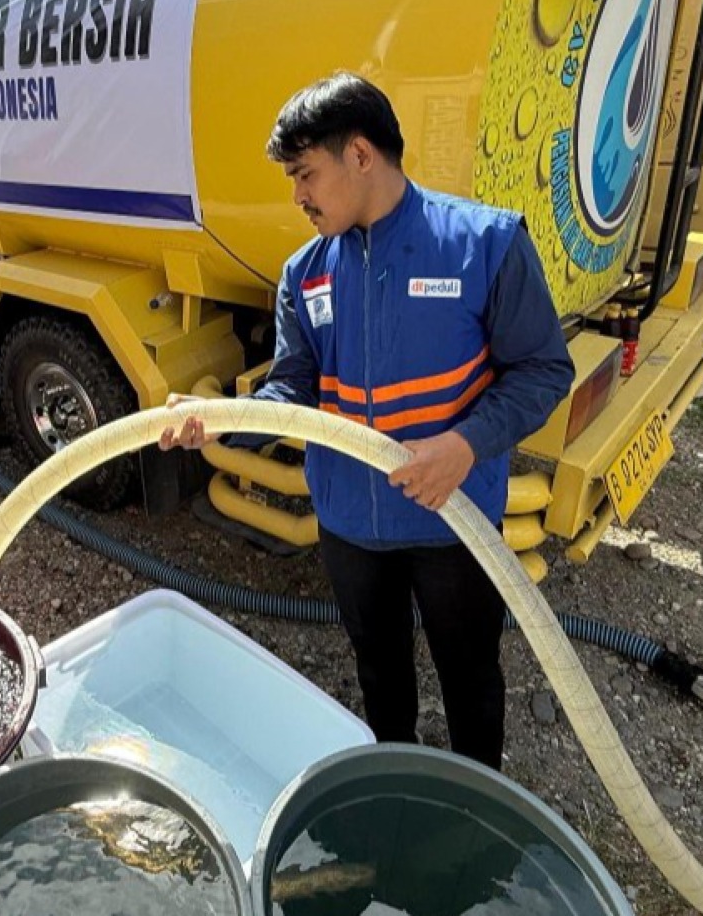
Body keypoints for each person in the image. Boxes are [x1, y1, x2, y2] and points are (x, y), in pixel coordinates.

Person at [161, 73, 575, 767]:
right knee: (379, 673)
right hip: (350, 523)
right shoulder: (304, 273)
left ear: (359, 155)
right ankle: (397, 783)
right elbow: (292, 388)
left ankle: (478, 801)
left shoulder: (485, 243)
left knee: (469, 674)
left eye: (304, 174)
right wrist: (222, 418)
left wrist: (465, 444)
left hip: (453, 521)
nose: (296, 196)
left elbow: (542, 370)